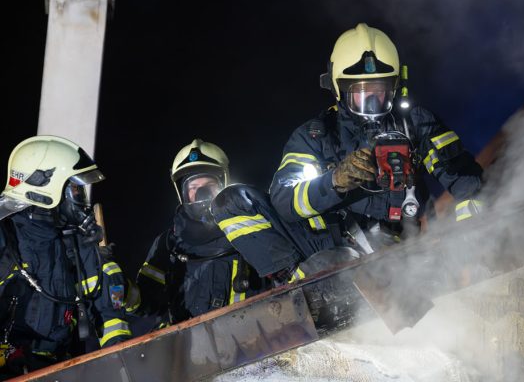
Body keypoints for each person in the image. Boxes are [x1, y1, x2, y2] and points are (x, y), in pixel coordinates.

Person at [269, 23, 484, 255]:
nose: (371, 101)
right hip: (341, 257)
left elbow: (466, 180)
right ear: (339, 89)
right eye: (361, 91)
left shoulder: (415, 123)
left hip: (406, 251)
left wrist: (471, 233)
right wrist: (334, 181)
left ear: (394, 86)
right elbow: (283, 200)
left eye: (379, 89)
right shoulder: (315, 137)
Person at [135, 139, 312, 326]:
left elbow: (285, 278)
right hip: (190, 348)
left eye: (208, 186)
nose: (201, 194)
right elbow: (148, 303)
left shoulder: (252, 225)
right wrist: (125, 293)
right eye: (194, 188)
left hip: (258, 340)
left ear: (224, 183)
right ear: (182, 194)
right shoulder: (168, 243)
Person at [0, 136, 132, 377]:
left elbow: (108, 316)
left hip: (62, 369)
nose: (81, 199)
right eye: (74, 189)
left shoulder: (77, 244)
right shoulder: (5, 238)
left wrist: (122, 365)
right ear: (44, 189)